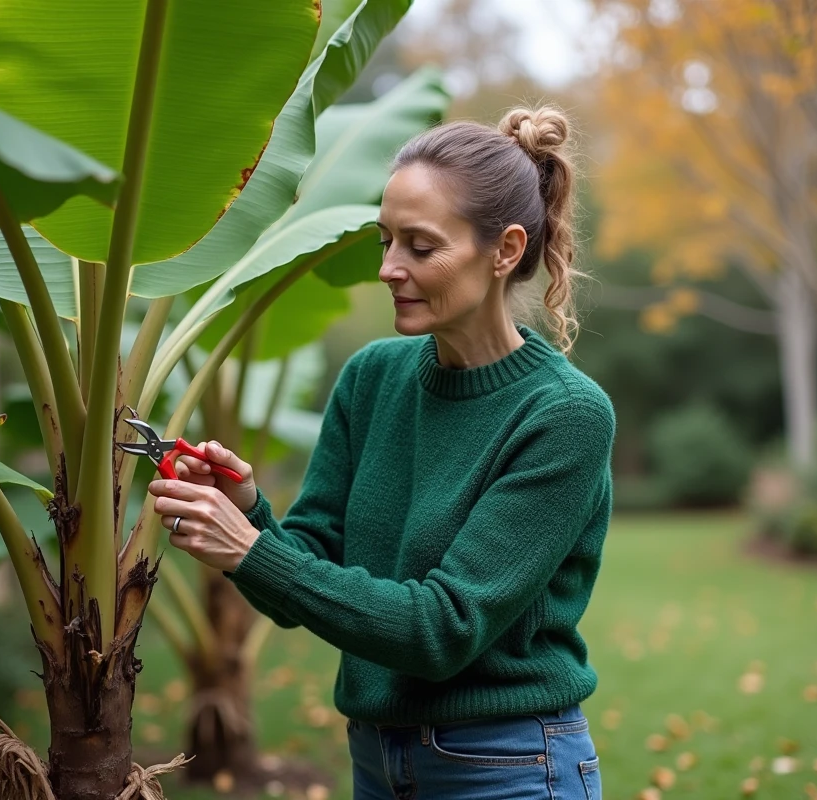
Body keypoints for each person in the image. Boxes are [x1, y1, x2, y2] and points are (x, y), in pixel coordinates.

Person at [148, 105, 615, 800]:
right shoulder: (372, 378)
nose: (389, 269)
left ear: (506, 251)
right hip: (376, 763)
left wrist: (249, 548)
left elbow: (441, 628)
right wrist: (247, 510)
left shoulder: (565, 416)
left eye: (420, 248)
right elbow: (299, 581)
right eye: (385, 240)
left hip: (510, 768)